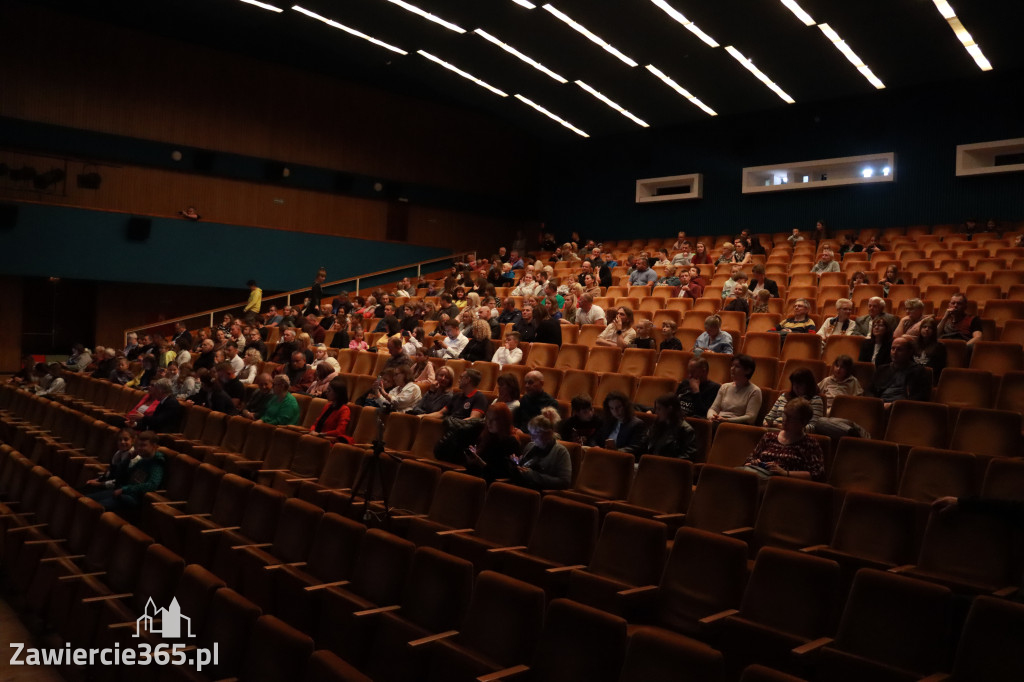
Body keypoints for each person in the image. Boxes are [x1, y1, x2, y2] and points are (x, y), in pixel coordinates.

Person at [743, 398, 825, 482]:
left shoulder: (810, 444)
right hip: (759, 476)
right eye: (784, 415)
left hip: (785, 484)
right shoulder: (769, 436)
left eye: (791, 418)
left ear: (803, 422)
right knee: (739, 473)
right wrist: (755, 462)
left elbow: (817, 475)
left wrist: (785, 473)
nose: (785, 420)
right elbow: (749, 460)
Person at [86, 431, 166, 510]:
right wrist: (128, 459)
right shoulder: (142, 460)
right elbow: (122, 476)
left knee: (96, 507)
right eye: (138, 446)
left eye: (143, 445)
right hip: (123, 492)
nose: (139, 448)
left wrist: (124, 489)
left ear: (154, 446)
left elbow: (151, 485)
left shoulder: (157, 464)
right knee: (87, 500)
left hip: (133, 499)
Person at [865, 337, 933, 407]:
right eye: (893, 349)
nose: (894, 352)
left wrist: (893, 405)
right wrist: (875, 403)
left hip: (903, 409)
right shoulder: (882, 369)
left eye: (899, 349)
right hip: (879, 405)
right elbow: (870, 391)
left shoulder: (919, 371)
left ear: (909, 352)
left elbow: (919, 398)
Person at [510, 415, 572, 491]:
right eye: (531, 434)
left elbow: (564, 483)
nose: (532, 438)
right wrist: (517, 463)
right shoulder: (530, 446)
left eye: (535, 434)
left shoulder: (560, 452)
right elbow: (523, 468)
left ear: (548, 433)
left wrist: (533, 476)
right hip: (522, 488)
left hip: (540, 493)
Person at [465, 403, 521, 482]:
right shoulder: (485, 436)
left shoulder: (511, 442)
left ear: (503, 421)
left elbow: (504, 473)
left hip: (493, 485)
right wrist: (471, 462)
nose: (489, 423)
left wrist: (480, 463)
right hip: (477, 480)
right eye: (488, 418)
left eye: (494, 419)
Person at [708, 354, 762, 424]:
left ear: (748, 371)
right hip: (719, 421)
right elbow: (713, 409)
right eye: (732, 365)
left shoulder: (755, 391)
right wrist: (711, 417)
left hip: (736, 426)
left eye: (737, 366)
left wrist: (727, 420)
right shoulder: (725, 387)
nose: (732, 369)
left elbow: (750, 417)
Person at [642, 394, 697, 460]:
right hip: (652, 462)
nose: (656, 412)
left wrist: (666, 462)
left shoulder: (686, 430)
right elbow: (645, 443)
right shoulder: (657, 424)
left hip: (670, 467)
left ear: (669, 409)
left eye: (659, 409)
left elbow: (688, 456)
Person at [595, 392, 646, 457]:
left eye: (618, 407)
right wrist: (595, 447)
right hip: (603, 455)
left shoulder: (637, 424)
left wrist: (616, 451)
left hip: (621, 458)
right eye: (612, 408)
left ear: (625, 406)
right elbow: (595, 438)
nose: (615, 411)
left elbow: (636, 447)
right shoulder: (608, 421)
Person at [912, 318, 947, 382]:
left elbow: (939, 367)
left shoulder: (940, 346)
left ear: (934, 331)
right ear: (920, 329)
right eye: (924, 327)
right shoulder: (913, 344)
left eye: (930, 328)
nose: (926, 329)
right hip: (913, 376)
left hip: (930, 378)